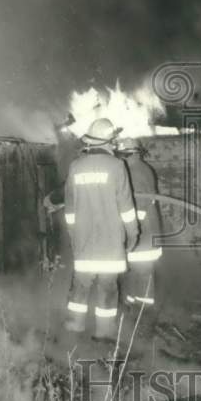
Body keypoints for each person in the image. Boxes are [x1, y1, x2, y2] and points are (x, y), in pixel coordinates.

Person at [63, 118, 138, 341]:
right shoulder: (117, 166)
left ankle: (74, 328)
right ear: (109, 141)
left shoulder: (75, 166)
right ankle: (103, 333)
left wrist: (73, 235)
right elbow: (126, 205)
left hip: (83, 240)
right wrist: (133, 234)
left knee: (80, 287)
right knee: (107, 287)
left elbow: (70, 208)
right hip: (111, 241)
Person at [117, 137, 163, 323]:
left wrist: (131, 229)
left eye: (123, 154)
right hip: (143, 233)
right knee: (137, 273)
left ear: (131, 153)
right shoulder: (139, 168)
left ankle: (143, 316)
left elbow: (141, 202)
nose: (121, 158)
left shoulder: (135, 171)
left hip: (142, 234)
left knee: (142, 275)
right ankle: (134, 311)